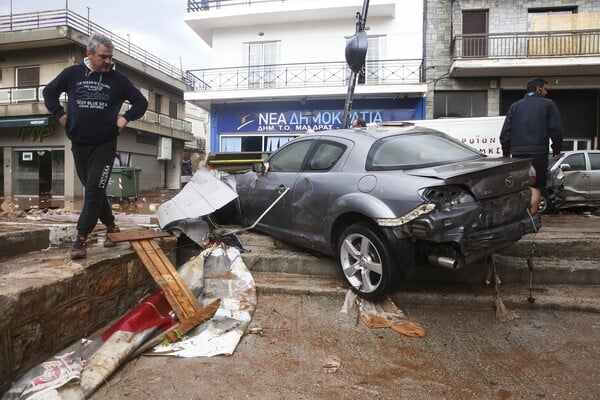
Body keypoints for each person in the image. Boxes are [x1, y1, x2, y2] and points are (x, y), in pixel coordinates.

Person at [43, 32, 148, 259]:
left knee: (92, 190)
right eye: (103, 57)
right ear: (89, 54)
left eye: (110, 57)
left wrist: (125, 118)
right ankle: (110, 225)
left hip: (105, 144)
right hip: (79, 142)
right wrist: (59, 114)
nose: (108, 61)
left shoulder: (118, 80)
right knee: (95, 191)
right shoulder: (72, 74)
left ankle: (81, 239)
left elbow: (141, 102)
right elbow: (49, 91)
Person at [500, 77, 563, 214]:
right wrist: (556, 149)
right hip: (538, 153)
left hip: (517, 155)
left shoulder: (515, 106)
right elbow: (556, 129)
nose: (547, 92)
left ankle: (517, 216)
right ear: (538, 88)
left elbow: (505, 132)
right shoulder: (548, 104)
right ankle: (531, 218)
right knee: (535, 186)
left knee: (520, 186)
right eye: (546, 89)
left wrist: (506, 152)